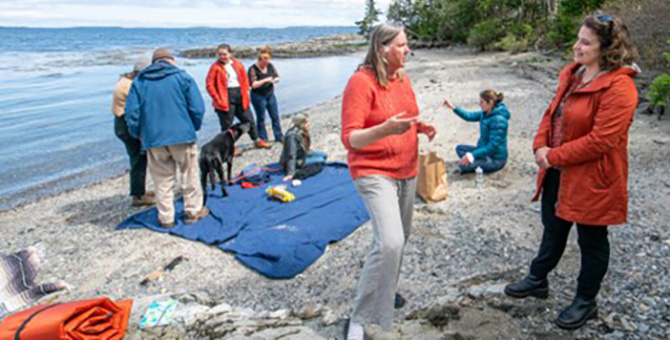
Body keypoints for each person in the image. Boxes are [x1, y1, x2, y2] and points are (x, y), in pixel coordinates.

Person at [504, 13, 639, 330]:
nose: (576, 46)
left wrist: (554, 156)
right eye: (578, 39)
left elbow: (602, 141)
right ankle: (538, 279)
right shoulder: (574, 74)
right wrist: (539, 146)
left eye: (585, 42)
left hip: (595, 177)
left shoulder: (620, 87)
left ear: (606, 49)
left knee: (592, 239)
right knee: (553, 226)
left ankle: (585, 301)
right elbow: (552, 115)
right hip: (558, 170)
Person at [340, 23, 436, 340]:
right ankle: (358, 320)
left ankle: (384, 293)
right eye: (401, 45)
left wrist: (420, 127)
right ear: (382, 49)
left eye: (407, 44)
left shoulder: (403, 78)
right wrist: (385, 129)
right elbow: (351, 139)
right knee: (390, 241)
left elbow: (406, 116)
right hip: (372, 170)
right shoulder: (360, 82)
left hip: (407, 168)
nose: (408, 50)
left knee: (399, 239)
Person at [125, 48, 209, 228]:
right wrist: (193, 127)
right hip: (182, 136)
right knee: (190, 175)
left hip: (154, 138)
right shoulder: (182, 77)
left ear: (154, 63)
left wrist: (139, 134)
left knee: (162, 180)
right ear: (171, 60)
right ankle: (192, 212)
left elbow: (132, 114)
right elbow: (197, 108)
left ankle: (166, 218)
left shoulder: (139, 81)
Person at [206, 44, 271, 150]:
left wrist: (245, 92)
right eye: (220, 54)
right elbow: (209, 85)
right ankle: (230, 147)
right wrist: (217, 98)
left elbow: (244, 79)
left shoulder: (237, 64)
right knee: (227, 125)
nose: (222, 56)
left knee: (249, 120)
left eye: (224, 54)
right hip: (225, 97)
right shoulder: (215, 67)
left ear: (230, 54)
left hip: (240, 95)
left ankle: (257, 140)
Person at [111, 56, 155, 207]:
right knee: (138, 159)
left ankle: (140, 189)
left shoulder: (126, 81)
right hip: (126, 124)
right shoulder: (130, 86)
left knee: (139, 158)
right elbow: (138, 109)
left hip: (123, 123)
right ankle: (138, 196)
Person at [443, 90, 510, 174]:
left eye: (482, 102)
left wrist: (472, 155)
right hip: (483, 151)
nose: (480, 104)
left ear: (490, 102)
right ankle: (477, 161)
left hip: (495, 159)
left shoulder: (499, 121)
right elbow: (469, 116)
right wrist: (453, 108)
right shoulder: (485, 113)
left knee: (463, 166)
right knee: (459, 148)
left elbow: (493, 146)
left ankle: (478, 163)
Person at [249, 46, 283, 143]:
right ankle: (263, 138)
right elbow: (253, 85)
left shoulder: (270, 66)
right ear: (259, 59)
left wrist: (275, 80)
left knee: (275, 116)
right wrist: (265, 80)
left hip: (270, 94)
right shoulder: (253, 69)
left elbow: (277, 76)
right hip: (258, 96)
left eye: (267, 59)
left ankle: (278, 136)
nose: (266, 62)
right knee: (261, 118)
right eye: (264, 60)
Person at [280, 113, 327, 181]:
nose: (309, 124)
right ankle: (299, 168)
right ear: (302, 124)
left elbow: (303, 145)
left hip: (303, 154)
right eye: (307, 122)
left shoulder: (302, 131)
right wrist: (290, 173)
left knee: (324, 155)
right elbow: (291, 155)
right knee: (321, 160)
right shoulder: (292, 136)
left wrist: (308, 149)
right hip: (297, 160)